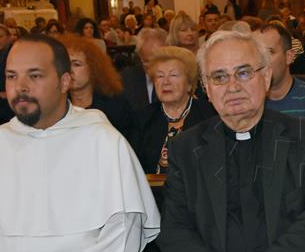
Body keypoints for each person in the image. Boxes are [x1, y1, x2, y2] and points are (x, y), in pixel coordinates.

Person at [0, 35, 160, 252]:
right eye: (12, 76)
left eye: (34, 76)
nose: (20, 87)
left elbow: (117, 247)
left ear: (64, 81)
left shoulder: (105, 145)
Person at [157, 30, 305, 252]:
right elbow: (175, 230)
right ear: (206, 89)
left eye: (243, 73)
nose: (232, 86)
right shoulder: (186, 148)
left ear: (266, 78)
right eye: (219, 77)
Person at [254, 22, 305, 160]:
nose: (261, 61)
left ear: (289, 57)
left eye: (269, 52)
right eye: (256, 53)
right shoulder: (245, 101)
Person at [135, 46, 215, 175]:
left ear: (189, 83)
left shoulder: (209, 116)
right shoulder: (142, 119)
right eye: (160, 76)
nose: (166, 82)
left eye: (173, 75)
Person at [61, 33, 138, 145]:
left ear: (93, 68)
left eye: (76, 64)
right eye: (65, 64)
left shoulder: (116, 106)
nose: (70, 70)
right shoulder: (55, 107)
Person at [121, 27, 167, 111]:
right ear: (140, 57)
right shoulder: (128, 78)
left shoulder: (177, 79)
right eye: (148, 62)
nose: (154, 67)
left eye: (158, 61)